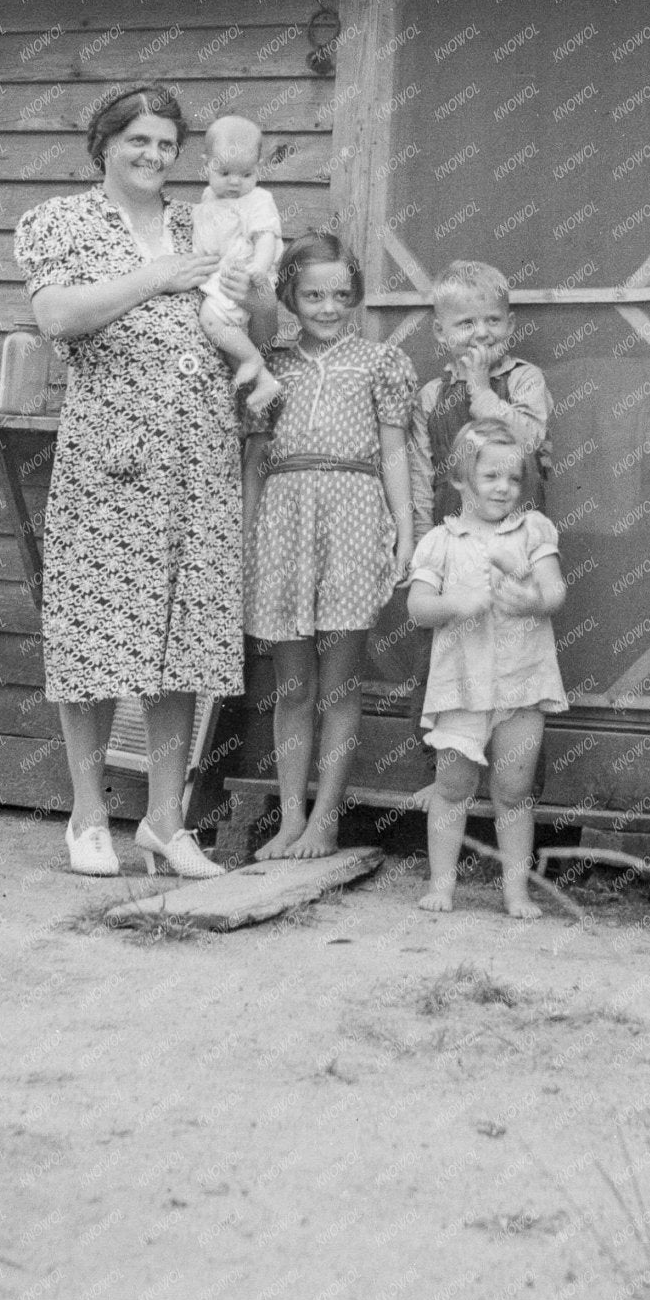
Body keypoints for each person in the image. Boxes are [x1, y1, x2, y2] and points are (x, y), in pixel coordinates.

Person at [16, 83, 275, 881]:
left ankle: (165, 822)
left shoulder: (206, 221)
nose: (154, 156)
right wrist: (156, 277)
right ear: (104, 143)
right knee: (93, 631)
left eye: (166, 144)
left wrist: (259, 296)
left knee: (184, 638)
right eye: (139, 141)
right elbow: (57, 318)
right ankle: (89, 816)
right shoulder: (62, 220)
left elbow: (257, 329)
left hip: (200, 454)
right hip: (111, 456)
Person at [241, 230, 418, 859]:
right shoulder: (270, 365)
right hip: (284, 520)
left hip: (354, 517)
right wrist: (246, 537)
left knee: (340, 684)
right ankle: (290, 817)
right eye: (314, 295)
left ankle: (326, 819)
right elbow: (255, 460)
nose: (328, 307)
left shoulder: (380, 362)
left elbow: (394, 454)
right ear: (289, 296)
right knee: (293, 685)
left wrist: (405, 531)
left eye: (341, 295)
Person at [407, 419, 568, 920]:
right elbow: (418, 608)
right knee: (452, 788)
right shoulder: (440, 541)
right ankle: (442, 884)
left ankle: (516, 891)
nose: (504, 487)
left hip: (522, 683)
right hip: (460, 687)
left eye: (514, 478)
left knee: (514, 792)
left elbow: (555, 591)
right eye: (491, 476)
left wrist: (532, 600)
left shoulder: (532, 530)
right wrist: (456, 603)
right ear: (460, 479)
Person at [408, 260, 552, 536]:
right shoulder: (431, 396)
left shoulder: (525, 379)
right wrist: (423, 539)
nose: (483, 333)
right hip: (453, 533)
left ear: (510, 324)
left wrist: (482, 391)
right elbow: (421, 477)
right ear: (440, 332)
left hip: (517, 533)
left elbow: (529, 440)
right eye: (467, 323)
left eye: (493, 320)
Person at [192, 114, 285, 417]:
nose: (235, 182)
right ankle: (264, 381)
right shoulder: (209, 196)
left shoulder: (257, 199)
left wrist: (258, 266)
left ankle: (253, 361)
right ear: (206, 164)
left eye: (246, 174)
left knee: (210, 320)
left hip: (242, 278)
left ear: (258, 167)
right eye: (224, 172)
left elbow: (265, 237)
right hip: (220, 277)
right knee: (227, 339)